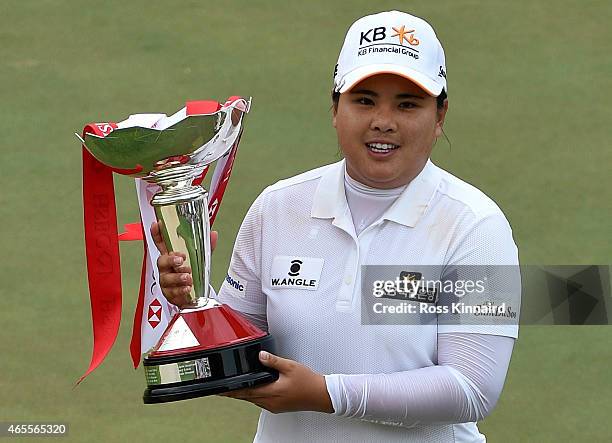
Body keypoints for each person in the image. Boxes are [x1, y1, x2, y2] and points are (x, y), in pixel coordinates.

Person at [152, 10, 520, 443]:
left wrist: (327, 394)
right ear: (335, 108)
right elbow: (243, 345)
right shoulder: (278, 208)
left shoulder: (477, 227)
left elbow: (472, 388)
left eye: (408, 103)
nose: (383, 120)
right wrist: (193, 298)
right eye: (364, 100)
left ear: (439, 117)